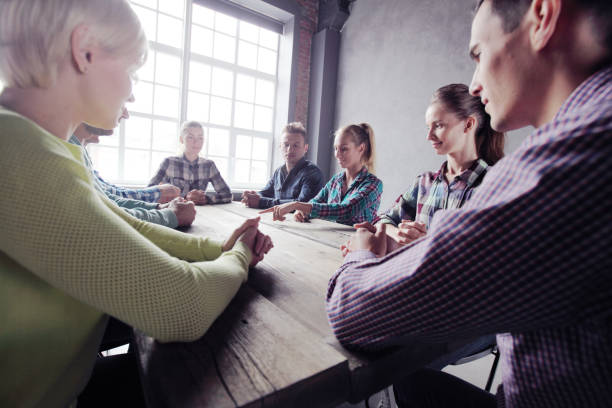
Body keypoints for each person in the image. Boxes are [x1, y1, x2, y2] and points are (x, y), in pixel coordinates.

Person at [327, 0, 612, 407]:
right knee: (409, 383)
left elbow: (353, 310)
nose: (476, 84)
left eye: (479, 54)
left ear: (544, 16)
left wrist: (361, 254)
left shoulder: (562, 165)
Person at [0, 1, 273, 408]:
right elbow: (185, 306)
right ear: (85, 50)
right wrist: (238, 256)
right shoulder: (15, 151)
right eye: (131, 70)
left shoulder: (39, 145)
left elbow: (126, 224)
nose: (132, 91)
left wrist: (215, 248)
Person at [379, 83, 504, 253]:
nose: (429, 136)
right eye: (428, 127)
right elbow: (384, 221)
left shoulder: (495, 185)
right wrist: (400, 233)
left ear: (468, 124)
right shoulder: (424, 183)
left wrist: (427, 242)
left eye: (438, 125)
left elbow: (490, 254)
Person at [71, 121, 196, 228]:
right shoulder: (67, 151)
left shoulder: (77, 149)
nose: (125, 114)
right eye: (191, 137)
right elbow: (102, 215)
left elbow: (107, 197)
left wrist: (159, 208)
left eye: (201, 138)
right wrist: (169, 214)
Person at [260, 123, 383, 226]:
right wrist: (301, 212)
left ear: (361, 148)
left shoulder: (374, 184)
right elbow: (315, 201)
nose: (337, 154)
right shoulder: (336, 180)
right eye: (336, 148)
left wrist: (297, 205)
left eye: (344, 149)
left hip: (357, 248)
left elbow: (346, 210)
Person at [241, 122, 324, 209]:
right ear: (280, 146)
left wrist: (261, 202)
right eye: (286, 144)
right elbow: (265, 193)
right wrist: (253, 196)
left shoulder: (312, 173)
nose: (290, 149)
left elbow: (302, 205)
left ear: (305, 148)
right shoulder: (278, 172)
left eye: (296, 145)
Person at [148, 120, 232, 205]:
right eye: (190, 137)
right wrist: (176, 198)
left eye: (200, 138)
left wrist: (206, 198)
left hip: (203, 214)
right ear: (181, 139)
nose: (196, 142)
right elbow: (148, 192)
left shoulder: (209, 165)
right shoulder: (169, 162)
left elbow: (227, 195)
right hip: (174, 212)